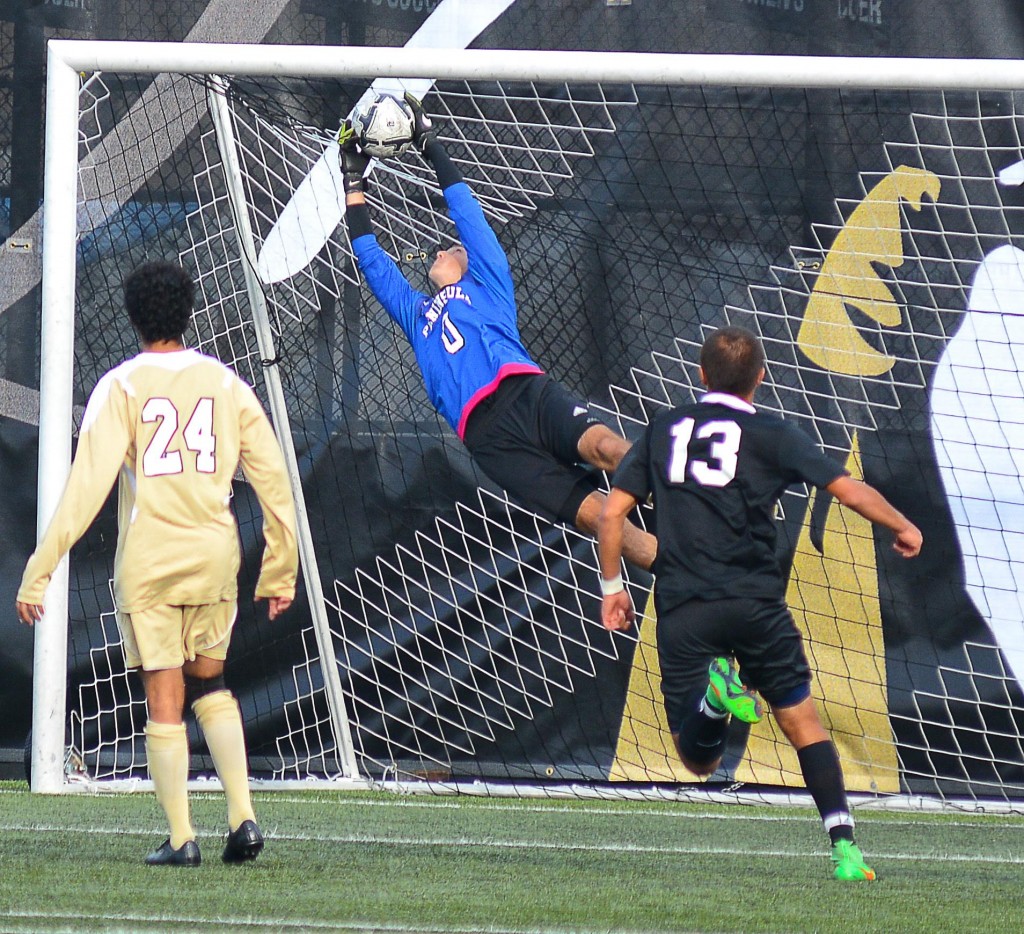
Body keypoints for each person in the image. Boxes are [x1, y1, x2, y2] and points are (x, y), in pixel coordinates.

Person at [597, 325, 922, 881]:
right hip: (755, 603)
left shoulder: (665, 428)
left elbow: (610, 515)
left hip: (685, 604)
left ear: (700, 375)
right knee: (804, 724)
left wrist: (612, 588)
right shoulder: (772, 432)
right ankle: (844, 849)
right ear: (761, 378)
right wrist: (903, 524)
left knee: (700, 761)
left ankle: (715, 703)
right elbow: (846, 489)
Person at [17, 260, 299, 867]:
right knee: (213, 683)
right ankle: (244, 818)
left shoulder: (122, 386)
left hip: (153, 560)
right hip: (215, 555)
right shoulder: (226, 384)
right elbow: (274, 476)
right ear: (188, 312)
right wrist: (280, 565)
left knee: (165, 701)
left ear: (133, 318)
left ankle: (180, 838)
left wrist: (40, 568)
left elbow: (85, 487)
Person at [339, 94, 656, 571]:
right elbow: (372, 260)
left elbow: (467, 216)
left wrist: (430, 145)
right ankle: (682, 572)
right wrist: (353, 182)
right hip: (486, 437)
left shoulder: (488, 281)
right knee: (596, 516)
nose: (440, 251)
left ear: (469, 261)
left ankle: (687, 493)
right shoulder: (416, 313)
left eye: (451, 248)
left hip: (526, 393)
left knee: (606, 448)